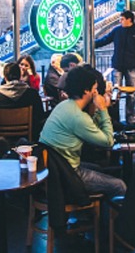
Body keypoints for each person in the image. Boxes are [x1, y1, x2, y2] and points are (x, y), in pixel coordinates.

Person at [39, 66, 126, 198]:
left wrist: (97, 111)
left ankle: (90, 216)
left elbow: (91, 127)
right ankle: (112, 218)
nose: (96, 93)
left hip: (54, 169)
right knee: (119, 185)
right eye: (95, 89)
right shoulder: (78, 117)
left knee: (98, 169)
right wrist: (103, 109)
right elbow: (108, 142)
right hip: (67, 175)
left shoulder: (64, 105)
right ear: (86, 90)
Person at [94, 10, 135, 117]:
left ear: (129, 20)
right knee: (115, 92)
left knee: (130, 94)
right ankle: (116, 118)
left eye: (122, 19)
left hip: (131, 66)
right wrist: (93, 43)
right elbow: (105, 39)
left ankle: (130, 118)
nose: (120, 21)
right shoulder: (117, 31)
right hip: (118, 65)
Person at [0, 62, 46, 142]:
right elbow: (40, 115)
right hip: (29, 137)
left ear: (5, 77)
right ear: (20, 76)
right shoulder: (32, 94)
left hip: (3, 138)